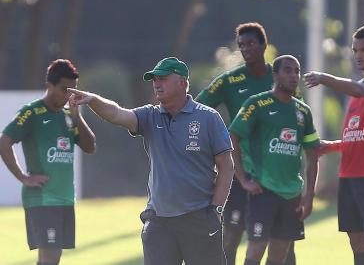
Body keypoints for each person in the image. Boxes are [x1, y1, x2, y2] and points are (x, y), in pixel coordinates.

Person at [68, 57, 234, 265]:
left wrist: (215, 210)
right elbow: (117, 114)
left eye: (163, 78)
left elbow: (226, 166)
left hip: (199, 217)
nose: (157, 83)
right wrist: (92, 99)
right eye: (155, 79)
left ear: (182, 82)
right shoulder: (150, 115)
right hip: (159, 221)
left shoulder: (208, 118)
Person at [196, 22, 300, 265]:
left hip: (277, 177)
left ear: (264, 45)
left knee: (284, 243)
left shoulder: (283, 78)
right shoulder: (230, 81)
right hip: (241, 173)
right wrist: (213, 148)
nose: (246, 49)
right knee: (232, 235)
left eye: (251, 44)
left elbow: (296, 123)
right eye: (241, 45)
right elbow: (198, 110)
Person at [304, 25, 364, 265]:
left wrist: (325, 78)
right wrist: (331, 146)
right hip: (349, 176)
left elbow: (361, 90)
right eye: (355, 50)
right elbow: (357, 137)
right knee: (357, 243)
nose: (358, 55)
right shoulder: (355, 93)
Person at [0, 59, 96, 265]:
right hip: (43, 200)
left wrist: (78, 116)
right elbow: (4, 141)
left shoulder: (69, 116)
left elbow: (90, 147)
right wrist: (23, 177)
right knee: (50, 257)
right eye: (63, 89)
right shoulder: (32, 112)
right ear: (49, 85)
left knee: (53, 257)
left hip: (65, 199)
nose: (68, 95)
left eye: (73, 91)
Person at [229, 55, 320, 265]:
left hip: (292, 195)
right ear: (275, 74)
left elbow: (312, 154)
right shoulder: (257, 104)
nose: (294, 75)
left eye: (297, 71)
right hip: (263, 191)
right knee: (255, 250)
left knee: (279, 255)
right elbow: (232, 136)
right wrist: (242, 179)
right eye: (288, 70)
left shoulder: (303, 112)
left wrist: (309, 196)